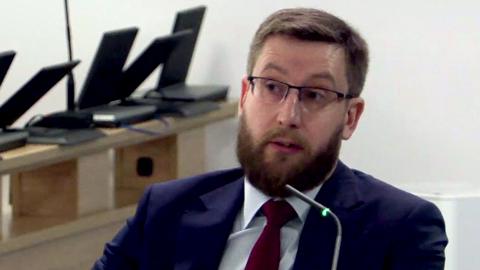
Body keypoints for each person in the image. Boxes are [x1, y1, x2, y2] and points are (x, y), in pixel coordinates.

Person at [93, 8, 447, 270]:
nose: (287, 116)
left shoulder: (401, 229)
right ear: (245, 96)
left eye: (315, 95)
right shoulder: (167, 209)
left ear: (350, 117)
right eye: (273, 87)